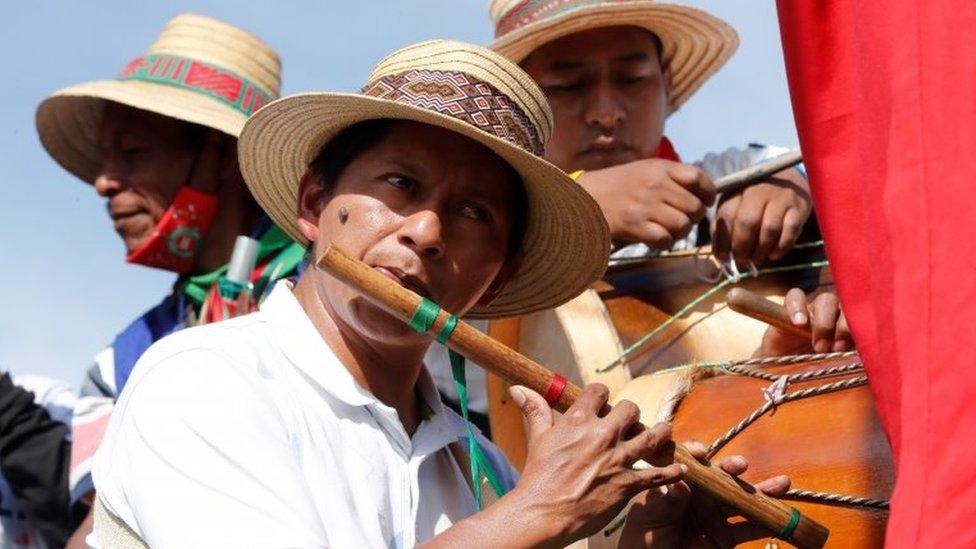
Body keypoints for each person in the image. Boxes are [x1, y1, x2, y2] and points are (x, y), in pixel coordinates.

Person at [91, 40, 788, 548]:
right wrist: (534, 514)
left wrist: (650, 543)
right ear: (313, 203)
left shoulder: (484, 470)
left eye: (474, 212)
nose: (426, 230)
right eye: (400, 185)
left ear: (500, 277)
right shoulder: (206, 379)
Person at [427, 0, 817, 433]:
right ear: (522, 106)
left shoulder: (731, 177)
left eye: (633, 78)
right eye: (569, 84)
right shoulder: (476, 232)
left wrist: (789, 184)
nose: (606, 111)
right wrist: (569, 211)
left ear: (666, 83)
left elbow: (802, 165)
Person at [33, 13, 302, 542]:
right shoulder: (118, 365)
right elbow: (101, 531)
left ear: (220, 156)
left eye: (133, 153)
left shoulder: (342, 299)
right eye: (105, 159)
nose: (104, 182)